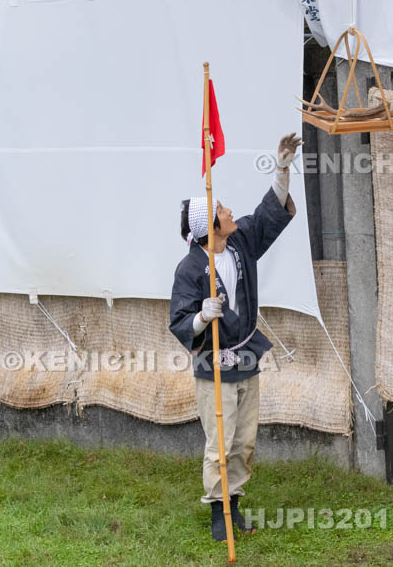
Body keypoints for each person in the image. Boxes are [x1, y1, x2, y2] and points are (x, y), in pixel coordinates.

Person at [169, 132, 302, 541]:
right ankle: (217, 513)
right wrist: (199, 319)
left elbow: (266, 215)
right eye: (222, 210)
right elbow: (179, 320)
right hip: (214, 364)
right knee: (220, 442)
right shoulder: (190, 270)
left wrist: (282, 168)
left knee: (244, 440)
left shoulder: (240, 241)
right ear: (209, 226)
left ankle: (235, 506)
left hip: (246, 358)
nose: (230, 212)